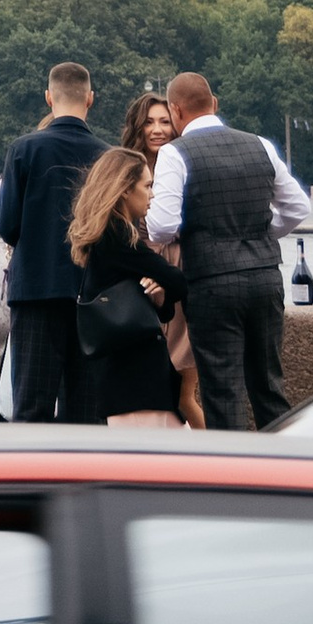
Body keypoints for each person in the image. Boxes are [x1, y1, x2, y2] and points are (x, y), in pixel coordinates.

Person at [146, 69, 310, 432]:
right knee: (269, 385)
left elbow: (161, 226)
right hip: (266, 277)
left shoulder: (175, 153)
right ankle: (287, 469)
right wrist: (257, 234)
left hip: (211, 284)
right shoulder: (261, 145)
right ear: (214, 104)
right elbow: (299, 207)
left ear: (175, 111)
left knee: (223, 393)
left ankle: (233, 478)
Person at [0, 64, 107, 425]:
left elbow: (5, 223)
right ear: (90, 99)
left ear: (48, 97)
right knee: (85, 408)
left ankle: (30, 478)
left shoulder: (24, 149)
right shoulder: (107, 155)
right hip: (90, 295)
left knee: (31, 405)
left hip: (35, 292)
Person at [67, 147, 187, 427]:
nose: (152, 194)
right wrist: (165, 289)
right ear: (124, 189)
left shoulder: (107, 236)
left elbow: (161, 302)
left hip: (125, 374)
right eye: (147, 186)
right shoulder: (118, 237)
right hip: (135, 379)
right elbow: (177, 281)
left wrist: (159, 299)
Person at [122, 87, 204, 427]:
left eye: (165, 121)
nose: (157, 129)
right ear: (137, 127)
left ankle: (217, 457)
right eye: (149, 122)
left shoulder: (186, 162)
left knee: (184, 389)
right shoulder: (125, 169)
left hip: (178, 274)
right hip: (139, 281)